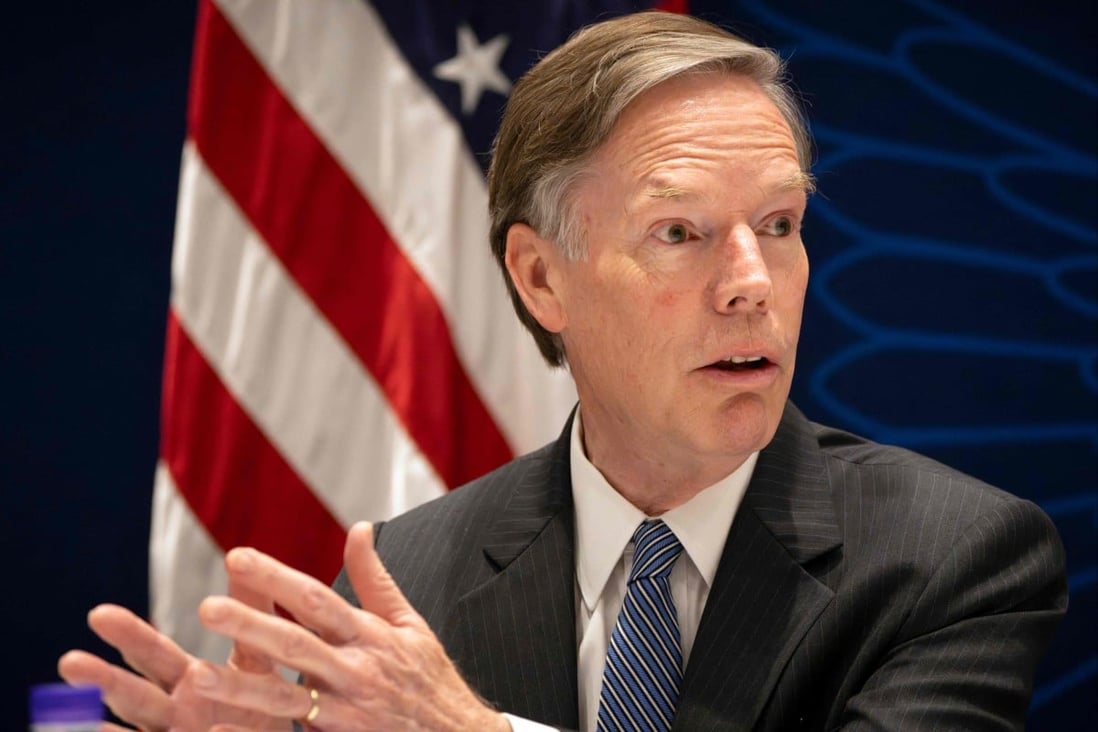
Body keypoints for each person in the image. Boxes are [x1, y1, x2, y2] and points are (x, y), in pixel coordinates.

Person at [59, 11, 1067, 732]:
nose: (753, 283)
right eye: (681, 232)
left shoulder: (957, 557)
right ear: (542, 279)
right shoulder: (411, 578)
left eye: (780, 225)